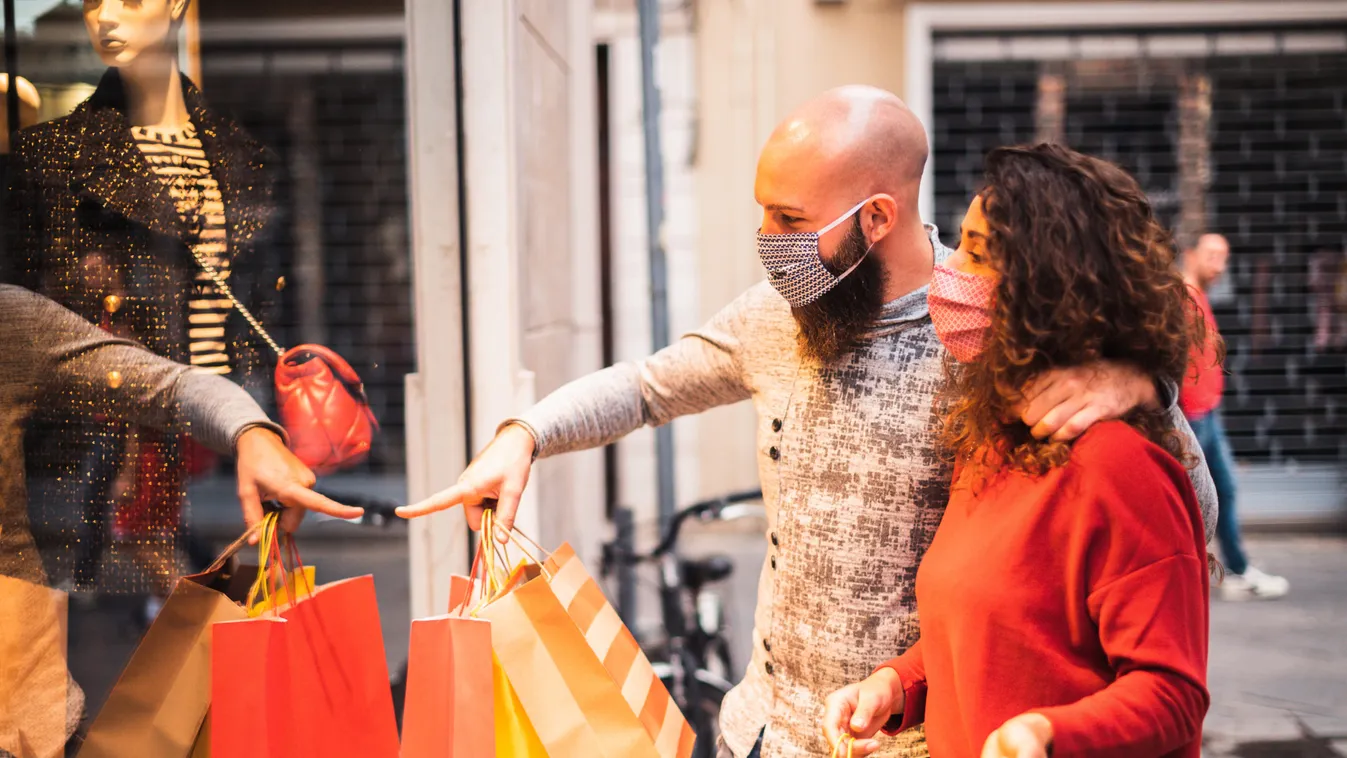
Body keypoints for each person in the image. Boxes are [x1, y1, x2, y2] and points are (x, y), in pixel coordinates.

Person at [398, 86, 1217, 758]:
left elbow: (1175, 516)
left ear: (875, 218)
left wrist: (1140, 385)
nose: (767, 243)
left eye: (789, 222)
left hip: (916, 741)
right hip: (764, 725)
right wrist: (525, 434)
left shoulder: (992, 340)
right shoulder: (776, 317)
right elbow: (645, 387)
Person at [823, 144, 1210, 758]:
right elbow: (991, 629)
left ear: (1049, 287)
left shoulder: (1119, 464)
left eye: (978, 252)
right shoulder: (990, 438)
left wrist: (1048, 733)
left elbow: (1172, 693)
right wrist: (897, 685)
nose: (951, 269)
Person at [2, 0, 285, 608]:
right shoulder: (53, 157)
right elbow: (33, 322)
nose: (105, 17)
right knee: (138, 556)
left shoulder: (240, 154)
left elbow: (259, 291)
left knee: (244, 578)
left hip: (234, 416)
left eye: (130, 0)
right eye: (93, 2)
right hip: (132, 414)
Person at [0, 285, 362, 758]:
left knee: (147, 540)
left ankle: (181, 608)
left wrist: (251, 433)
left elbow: (170, 387)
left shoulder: (10, 323)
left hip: (25, 725)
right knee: (148, 543)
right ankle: (178, 605)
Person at [1181, 233, 1289, 600]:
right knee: (1197, 498)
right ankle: (1206, 573)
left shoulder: (1197, 295)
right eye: (1212, 256)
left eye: (1224, 258)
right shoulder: (1181, 297)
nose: (1219, 266)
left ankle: (1235, 570)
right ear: (1191, 254)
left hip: (1207, 414)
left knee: (1220, 493)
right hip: (1192, 417)